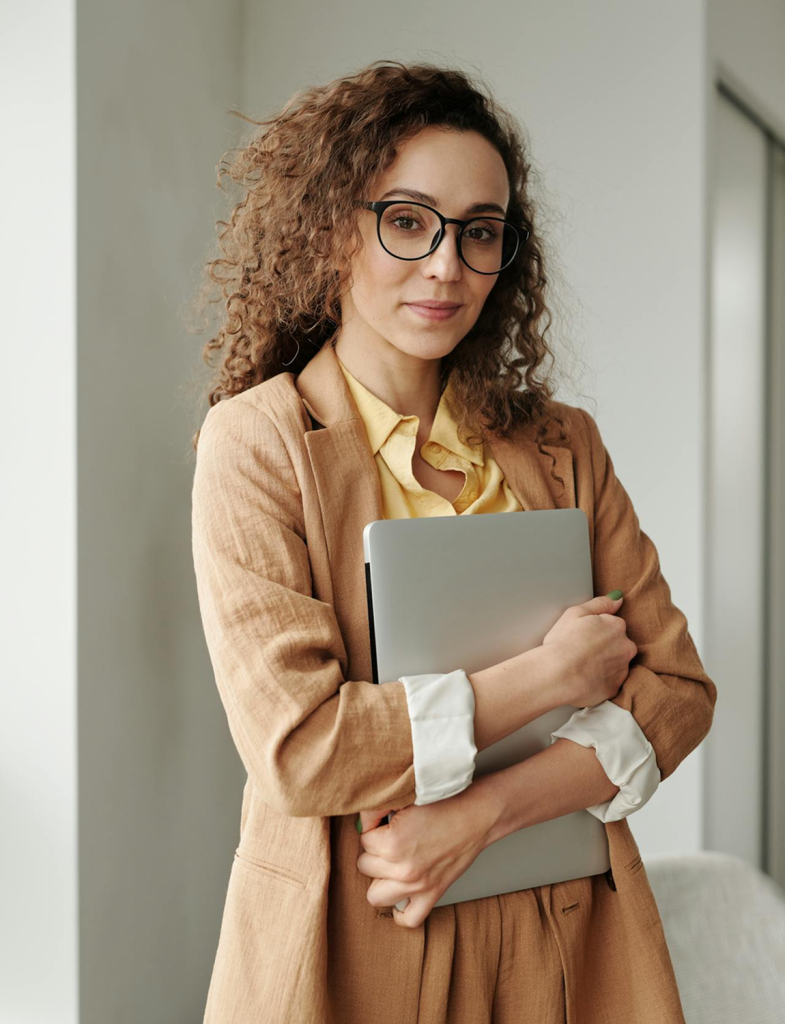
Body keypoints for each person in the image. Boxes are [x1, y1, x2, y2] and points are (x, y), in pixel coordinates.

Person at [190, 59, 717, 1024]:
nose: (446, 266)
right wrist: (551, 676)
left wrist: (478, 817)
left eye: (479, 232)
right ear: (332, 227)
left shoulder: (561, 444)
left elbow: (676, 693)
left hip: (566, 932)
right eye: (407, 221)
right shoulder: (259, 444)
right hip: (355, 933)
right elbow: (303, 748)